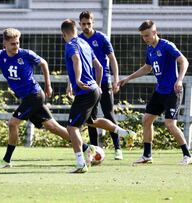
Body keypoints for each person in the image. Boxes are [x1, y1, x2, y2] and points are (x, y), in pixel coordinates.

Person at [0, 28, 94, 169]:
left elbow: (43, 63)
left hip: (35, 96)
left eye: (18, 43)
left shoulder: (25, 54)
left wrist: (48, 85)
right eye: (13, 44)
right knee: (53, 127)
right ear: (5, 43)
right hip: (28, 98)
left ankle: (6, 160)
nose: (16, 46)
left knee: (13, 123)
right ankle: (87, 147)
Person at [61, 19, 136, 173]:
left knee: (72, 127)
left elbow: (76, 60)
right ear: (76, 29)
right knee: (92, 121)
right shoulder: (86, 44)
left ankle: (80, 164)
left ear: (63, 34)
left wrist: (77, 79)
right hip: (95, 89)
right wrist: (98, 85)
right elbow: (100, 66)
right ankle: (125, 133)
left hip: (85, 91)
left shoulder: (70, 45)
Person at [118, 20, 191, 165]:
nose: (145, 39)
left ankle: (187, 155)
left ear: (154, 32)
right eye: (143, 36)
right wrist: (128, 78)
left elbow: (184, 61)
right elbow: (147, 68)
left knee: (170, 123)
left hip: (172, 90)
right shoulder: (150, 49)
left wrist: (180, 80)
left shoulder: (167, 46)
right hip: (160, 91)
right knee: (146, 120)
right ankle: (147, 155)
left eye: (147, 35)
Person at [78, 11, 123, 160]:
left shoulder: (102, 38)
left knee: (109, 114)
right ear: (79, 24)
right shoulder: (78, 40)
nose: (86, 26)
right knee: (91, 118)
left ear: (93, 23)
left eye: (88, 23)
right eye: (83, 24)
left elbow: (112, 58)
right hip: (89, 84)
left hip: (104, 82)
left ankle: (118, 148)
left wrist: (116, 79)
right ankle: (94, 150)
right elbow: (75, 63)